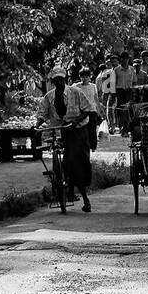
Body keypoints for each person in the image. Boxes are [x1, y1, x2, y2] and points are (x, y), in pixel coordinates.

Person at [37, 67, 95, 212]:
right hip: (62, 130)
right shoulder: (49, 97)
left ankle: (84, 198)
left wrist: (75, 121)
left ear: (65, 80)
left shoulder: (75, 92)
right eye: (56, 80)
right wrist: (36, 126)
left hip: (78, 130)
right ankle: (65, 184)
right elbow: (42, 113)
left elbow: (87, 110)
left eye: (61, 80)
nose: (59, 83)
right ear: (53, 82)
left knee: (76, 161)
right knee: (66, 160)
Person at [74, 67, 101, 148]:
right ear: (80, 77)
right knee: (82, 129)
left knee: (92, 129)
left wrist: (99, 110)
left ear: (90, 77)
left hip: (92, 110)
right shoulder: (76, 86)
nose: (84, 79)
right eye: (82, 77)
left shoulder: (93, 86)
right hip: (81, 110)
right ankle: (83, 145)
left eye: (86, 77)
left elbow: (96, 99)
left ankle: (93, 146)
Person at [114, 52, 136, 136]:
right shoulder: (116, 70)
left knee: (127, 110)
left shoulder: (132, 69)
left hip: (129, 91)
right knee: (120, 110)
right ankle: (121, 127)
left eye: (126, 58)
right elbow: (113, 83)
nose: (125, 60)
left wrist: (133, 93)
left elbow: (134, 82)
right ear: (121, 59)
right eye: (123, 58)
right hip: (119, 91)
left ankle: (126, 129)